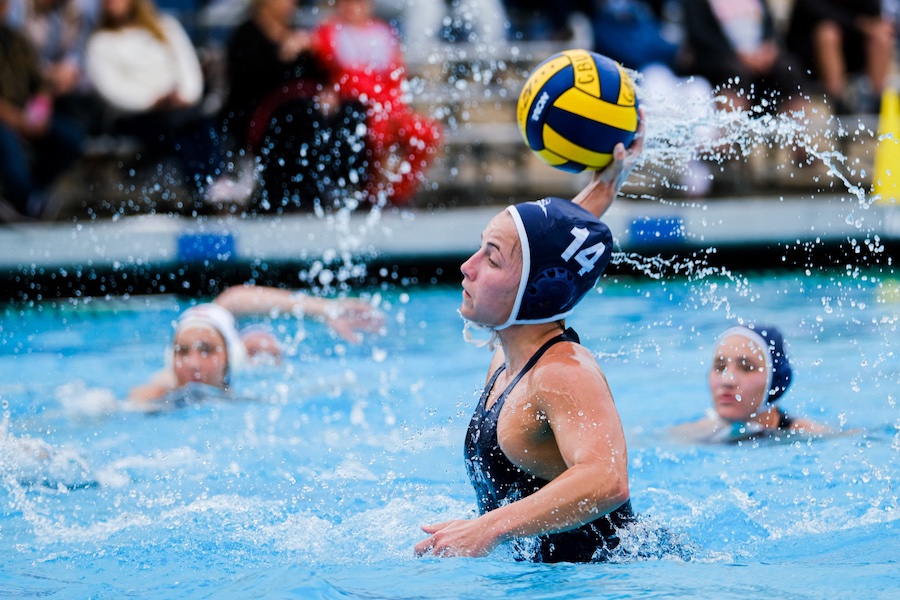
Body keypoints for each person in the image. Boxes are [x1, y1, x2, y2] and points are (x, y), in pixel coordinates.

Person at [414, 129, 644, 563]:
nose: (467, 267)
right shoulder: (508, 355)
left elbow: (607, 479)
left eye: (492, 257)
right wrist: (606, 186)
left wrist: (484, 529)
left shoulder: (562, 373)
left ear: (534, 292)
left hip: (613, 580)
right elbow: (555, 251)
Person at [218, 0, 368, 212]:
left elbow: (318, 75)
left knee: (351, 110)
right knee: (301, 112)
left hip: (302, 108)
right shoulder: (246, 35)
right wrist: (283, 56)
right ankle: (299, 191)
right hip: (261, 118)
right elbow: (249, 86)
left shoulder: (297, 34)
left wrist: (327, 91)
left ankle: (345, 186)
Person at [127, 284, 384, 405]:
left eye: (207, 350)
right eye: (182, 351)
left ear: (231, 357)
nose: (193, 363)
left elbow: (234, 299)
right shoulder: (153, 397)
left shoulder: (258, 385)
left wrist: (328, 309)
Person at [85, 0, 224, 211]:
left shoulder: (166, 27)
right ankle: (205, 188)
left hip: (178, 109)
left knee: (200, 122)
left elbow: (188, 68)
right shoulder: (101, 42)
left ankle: (213, 183)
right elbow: (111, 90)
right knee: (180, 131)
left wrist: (186, 96)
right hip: (136, 116)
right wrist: (153, 100)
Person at [311, 0, 443, 206]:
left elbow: (396, 75)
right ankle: (372, 193)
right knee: (377, 132)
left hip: (391, 108)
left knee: (426, 133)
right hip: (362, 109)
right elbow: (343, 77)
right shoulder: (330, 31)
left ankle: (398, 194)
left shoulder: (384, 32)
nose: (352, 7)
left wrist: (391, 106)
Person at [670, 324, 833, 444]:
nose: (727, 380)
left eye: (746, 367)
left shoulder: (812, 436)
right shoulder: (688, 436)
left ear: (776, 381)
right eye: (720, 367)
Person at [0, 0, 84, 222]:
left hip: (26, 116)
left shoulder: (14, 39)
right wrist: (18, 121)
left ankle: (33, 195)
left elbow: (40, 84)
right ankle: (23, 202)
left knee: (70, 136)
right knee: (7, 145)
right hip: (7, 120)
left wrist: (40, 113)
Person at [679, 0, 810, 115]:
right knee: (734, 74)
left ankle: (800, 138)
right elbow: (700, 36)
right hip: (722, 59)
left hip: (759, 57)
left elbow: (769, 27)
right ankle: (730, 137)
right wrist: (738, 54)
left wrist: (768, 50)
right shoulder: (697, 2)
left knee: (788, 69)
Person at [785, 0, 896, 115]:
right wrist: (858, 24)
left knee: (881, 35)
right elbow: (813, 10)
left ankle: (876, 102)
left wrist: (866, 26)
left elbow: (873, 14)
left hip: (852, 47)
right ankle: (838, 103)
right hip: (810, 54)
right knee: (828, 33)